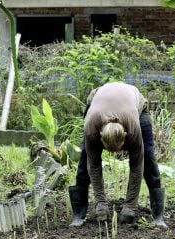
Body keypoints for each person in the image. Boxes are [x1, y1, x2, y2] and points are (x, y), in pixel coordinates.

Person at [68, 82, 167, 228]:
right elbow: (93, 165)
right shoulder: (92, 129)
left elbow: (137, 166)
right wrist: (101, 202)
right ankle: (79, 214)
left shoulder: (132, 129)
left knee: (148, 155)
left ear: (126, 137)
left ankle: (158, 214)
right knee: (85, 158)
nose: (113, 154)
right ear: (100, 137)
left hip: (135, 104)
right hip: (98, 102)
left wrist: (130, 206)